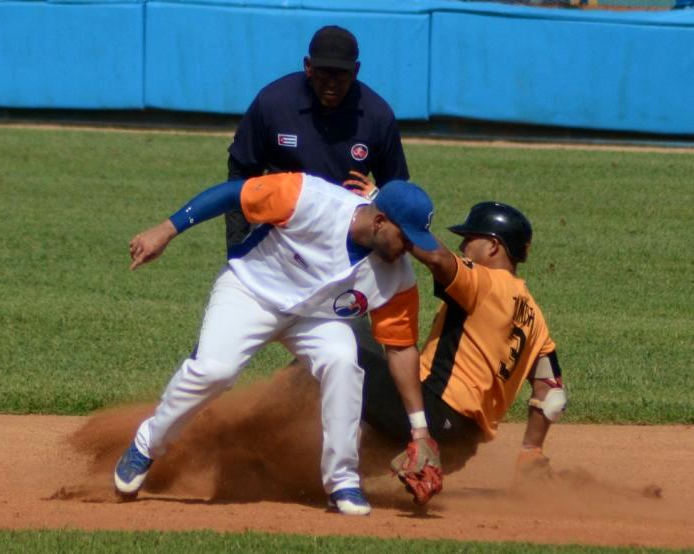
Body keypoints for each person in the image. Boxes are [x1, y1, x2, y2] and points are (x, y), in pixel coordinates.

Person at [113, 173, 441, 515]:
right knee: (215, 370)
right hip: (251, 292)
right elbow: (233, 194)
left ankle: (343, 480)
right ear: (379, 221)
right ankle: (146, 445)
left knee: (343, 362)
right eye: (406, 238)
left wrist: (420, 430)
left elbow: (401, 347)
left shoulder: (398, 278)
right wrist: (167, 229)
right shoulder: (308, 198)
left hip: (318, 319)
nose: (411, 249)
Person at [359, 201, 567, 479]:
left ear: (493, 246)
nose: (462, 248)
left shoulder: (486, 281)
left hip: (429, 414)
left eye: (469, 240)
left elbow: (439, 259)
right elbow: (551, 393)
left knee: (338, 346)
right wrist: (532, 449)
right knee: (351, 456)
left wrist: (393, 213)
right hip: (460, 448)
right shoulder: (536, 318)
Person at [224, 25, 409, 248]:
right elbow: (241, 172)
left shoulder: (377, 116)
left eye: (341, 75)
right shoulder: (273, 103)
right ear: (308, 67)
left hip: (344, 237)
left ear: (356, 71)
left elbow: (397, 189)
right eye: (324, 73)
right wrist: (237, 244)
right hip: (278, 232)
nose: (331, 84)